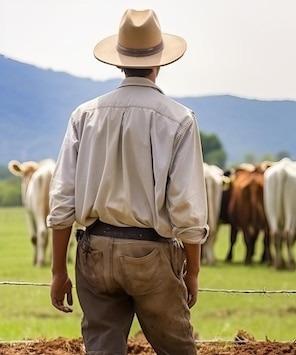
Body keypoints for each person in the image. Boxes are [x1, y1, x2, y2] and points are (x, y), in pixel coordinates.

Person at [47, 8, 209, 355]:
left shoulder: (84, 115)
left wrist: (58, 270)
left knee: (103, 348)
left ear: (118, 62)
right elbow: (187, 208)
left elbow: (62, 201)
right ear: (160, 62)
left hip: (93, 250)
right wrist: (192, 271)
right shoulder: (179, 119)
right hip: (151, 252)